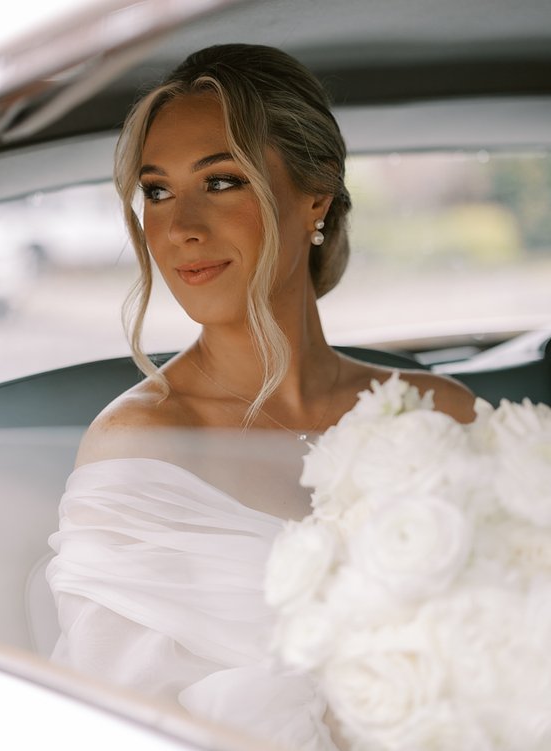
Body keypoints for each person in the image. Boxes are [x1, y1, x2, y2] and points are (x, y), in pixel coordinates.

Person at [45, 44, 477, 751]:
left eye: (220, 181)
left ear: (317, 194)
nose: (180, 225)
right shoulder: (137, 444)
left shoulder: (444, 413)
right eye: (156, 191)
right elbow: (123, 721)